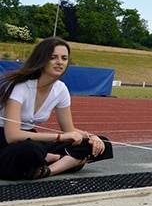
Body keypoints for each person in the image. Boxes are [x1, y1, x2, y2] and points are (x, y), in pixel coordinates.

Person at [0, 37, 112, 180]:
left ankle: (48, 170)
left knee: (101, 144)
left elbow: (69, 130)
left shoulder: (60, 89)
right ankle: (62, 160)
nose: (60, 62)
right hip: (6, 140)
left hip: (33, 139)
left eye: (64, 58)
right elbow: (12, 136)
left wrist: (92, 137)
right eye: (53, 57)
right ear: (41, 59)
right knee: (30, 150)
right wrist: (60, 137)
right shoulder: (21, 87)